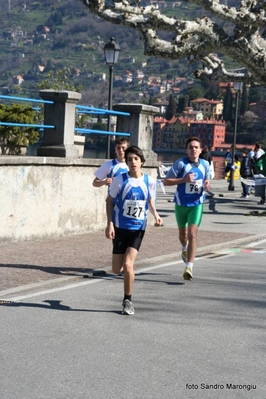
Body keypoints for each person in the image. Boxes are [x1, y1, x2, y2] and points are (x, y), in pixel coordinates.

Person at [105, 145, 163, 315]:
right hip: (120, 227)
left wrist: (156, 215)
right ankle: (125, 272)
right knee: (117, 269)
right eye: (129, 159)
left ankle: (127, 301)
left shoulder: (149, 181)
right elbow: (109, 201)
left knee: (128, 264)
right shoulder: (119, 180)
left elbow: (150, 201)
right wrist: (109, 224)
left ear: (142, 162)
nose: (133, 162)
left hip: (138, 228)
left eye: (136, 159)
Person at [163, 137, 211, 281]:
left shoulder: (206, 164)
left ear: (201, 150)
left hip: (196, 205)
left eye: (196, 147)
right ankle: (184, 248)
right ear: (187, 150)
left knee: (192, 235)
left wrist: (207, 184)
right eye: (191, 147)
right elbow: (166, 181)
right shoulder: (180, 164)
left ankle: (189, 267)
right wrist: (183, 180)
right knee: (183, 235)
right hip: (181, 205)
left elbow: (207, 179)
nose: (193, 150)